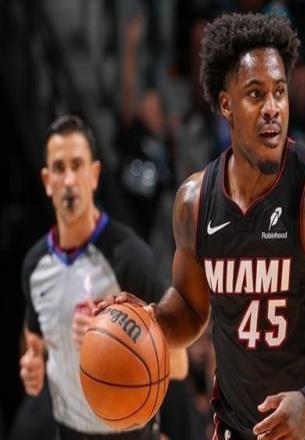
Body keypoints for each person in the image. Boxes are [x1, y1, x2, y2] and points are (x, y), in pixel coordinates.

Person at [97, 13, 305, 440]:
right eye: (256, 94)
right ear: (226, 105)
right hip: (237, 427)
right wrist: (151, 321)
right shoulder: (195, 202)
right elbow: (191, 308)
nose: (272, 107)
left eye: (280, 91)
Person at [19, 115, 187, 440]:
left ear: (94, 175)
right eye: (59, 168)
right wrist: (32, 361)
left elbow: (178, 365)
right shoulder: (34, 265)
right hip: (67, 431)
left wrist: (110, 333)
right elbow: (33, 338)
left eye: (77, 165)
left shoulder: (130, 256)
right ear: (47, 181)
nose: (69, 179)